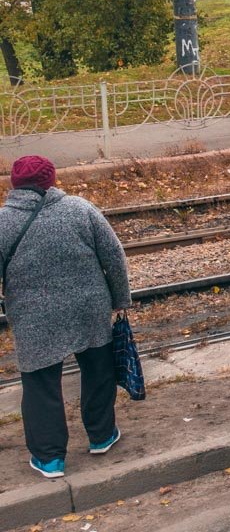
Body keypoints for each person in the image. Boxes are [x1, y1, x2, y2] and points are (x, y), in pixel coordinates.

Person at [0, 156, 131, 479]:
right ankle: (102, 436)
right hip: (90, 307)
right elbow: (114, 256)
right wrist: (120, 300)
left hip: (33, 318)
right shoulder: (80, 209)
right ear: (52, 180)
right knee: (98, 372)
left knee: (41, 385)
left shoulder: (2, 222)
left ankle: (49, 459)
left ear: (13, 184)